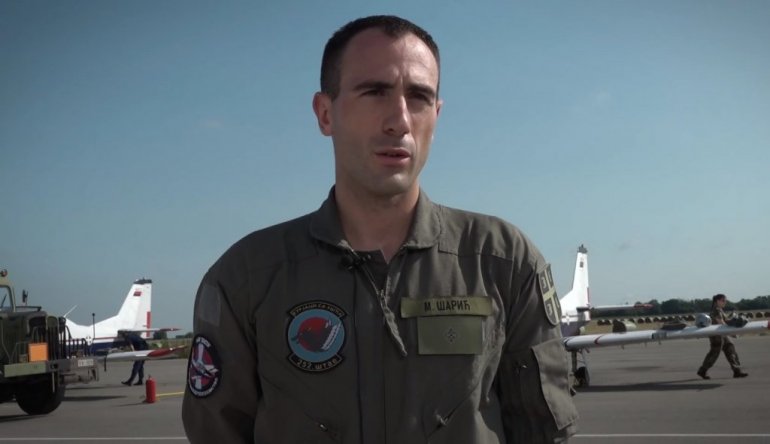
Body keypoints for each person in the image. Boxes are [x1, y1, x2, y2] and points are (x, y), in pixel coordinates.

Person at [182, 15, 577, 443]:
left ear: (436, 116)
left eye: (419, 97)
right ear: (325, 114)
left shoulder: (503, 261)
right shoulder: (248, 277)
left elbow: (542, 431)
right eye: (374, 92)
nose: (400, 120)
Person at [697, 293, 748, 380]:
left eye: (725, 301)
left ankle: (737, 371)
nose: (725, 302)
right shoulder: (716, 310)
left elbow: (726, 321)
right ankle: (703, 370)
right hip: (716, 335)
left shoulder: (719, 310)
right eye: (723, 300)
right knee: (714, 354)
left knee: (730, 350)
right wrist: (731, 333)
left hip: (722, 334)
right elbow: (721, 322)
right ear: (717, 301)